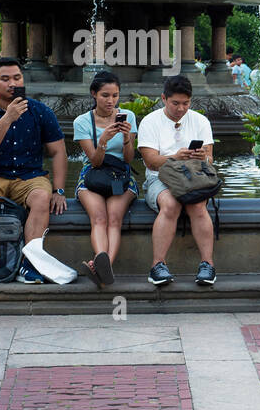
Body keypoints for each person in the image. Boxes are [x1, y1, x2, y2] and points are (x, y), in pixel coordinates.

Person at [0, 58, 67, 285]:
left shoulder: (40, 111)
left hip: (30, 176)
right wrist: (7, 118)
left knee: (41, 197)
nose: (12, 84)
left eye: (17, 78)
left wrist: (59, 189)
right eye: (5, 79)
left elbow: (58, 152)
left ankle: (30, 263)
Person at [137, 74, 217, 287]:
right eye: (175, 103)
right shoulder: (150, 121)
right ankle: (158, 265)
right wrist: (175, 157)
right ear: (164, 98)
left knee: (198, 205)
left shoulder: (200, 120)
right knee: (170, 205)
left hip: (193, 177)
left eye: (186, 103)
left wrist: (202, 157)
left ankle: (207, 264)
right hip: (160, 178)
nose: (181, 108)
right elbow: (151, 162)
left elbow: (210, 159)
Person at [73, 70, 137, 287]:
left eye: (115, 95)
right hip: (93, 175)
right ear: (94, 94)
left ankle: (102, 266)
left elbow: (129, 159)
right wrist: (103, 140)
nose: (111, 101)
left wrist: (127, 138)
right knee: (99, 217)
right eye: (105, 95)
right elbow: (95, 161)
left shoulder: (128, 116)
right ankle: (103, 262)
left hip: (121, 176)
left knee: (114, 218)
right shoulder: (82, 122)